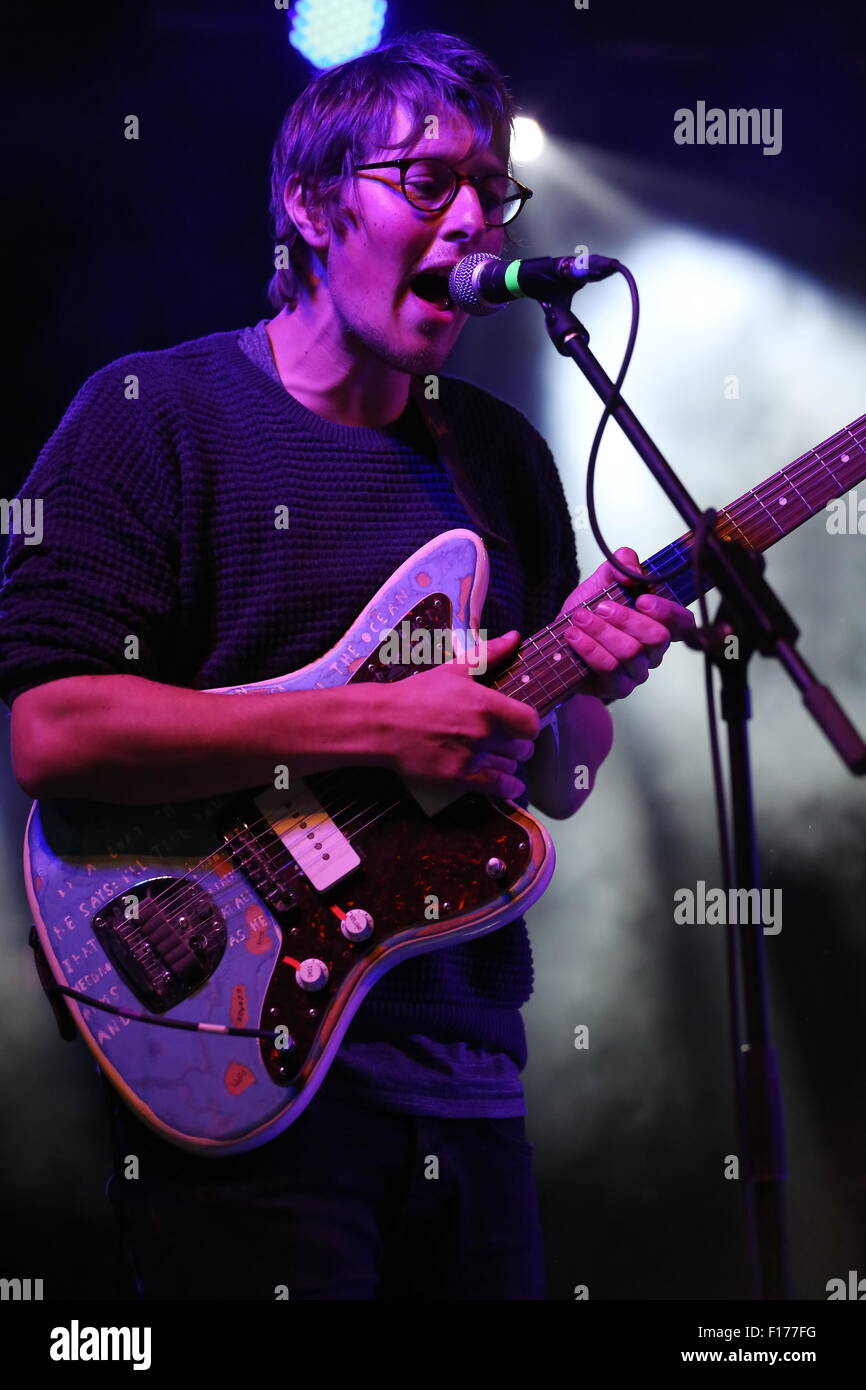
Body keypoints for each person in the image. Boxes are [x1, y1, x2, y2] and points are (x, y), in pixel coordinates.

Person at [0, 30, 695, 1299]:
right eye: (428, 184)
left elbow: (547, 782)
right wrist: (372, 726)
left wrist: (578, 680)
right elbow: (53, 730)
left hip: (472, 1078)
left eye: (493, 188)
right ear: (311, 206)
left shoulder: (500, 460)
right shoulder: (155, 414)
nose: (474, 222)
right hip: (234, 1061)